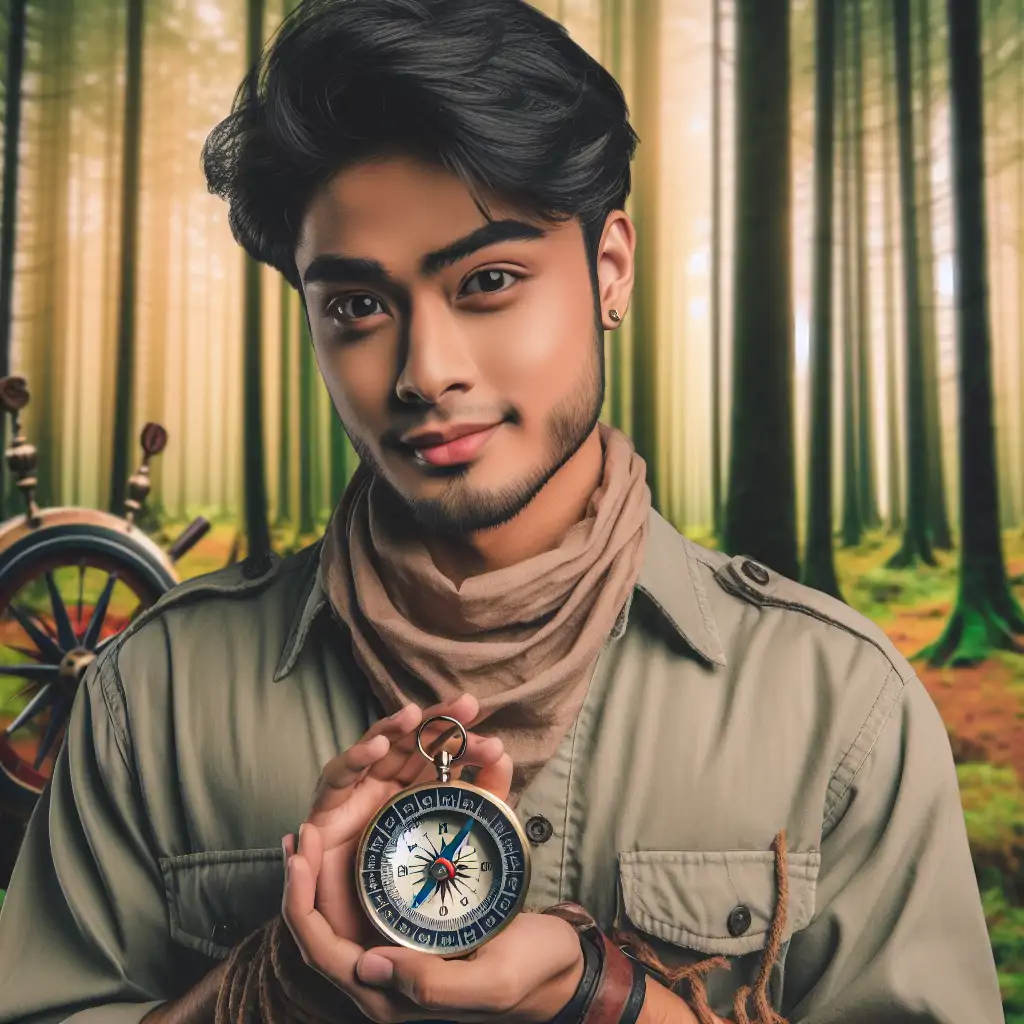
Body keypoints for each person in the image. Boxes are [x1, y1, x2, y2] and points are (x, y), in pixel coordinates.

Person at [0, 0, 1004, 1021]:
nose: (425, 372)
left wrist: (604, 1000)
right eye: (355, 306)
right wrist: (281, 984)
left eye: (487, 280)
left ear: (608, 269)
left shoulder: (836, 707)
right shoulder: (155, 701)